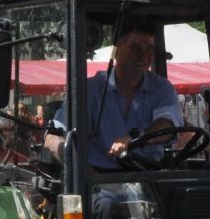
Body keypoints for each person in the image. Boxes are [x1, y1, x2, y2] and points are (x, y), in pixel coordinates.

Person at [54, 23, 184, 170]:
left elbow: (168, 124)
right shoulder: (90, 90)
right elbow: (54, 136)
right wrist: (81, 170)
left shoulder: (161, 88)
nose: (143, 55)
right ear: (116, 51)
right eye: (135, 48)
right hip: (97, 178)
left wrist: (135, 139)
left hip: (148, 176)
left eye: (149, 49)